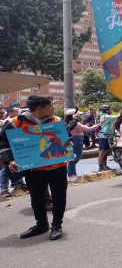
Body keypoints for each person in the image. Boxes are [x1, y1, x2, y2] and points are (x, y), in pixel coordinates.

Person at [0, 95, 67, 240]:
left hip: (57, 167)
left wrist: (68, 147)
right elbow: (3, 144)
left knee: (59, 196)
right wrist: (10, 161)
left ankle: (56, 226)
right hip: (33, 168)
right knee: (36, 197)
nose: (53, 108)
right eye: (50, 106)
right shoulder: (14, 123)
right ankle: (42, 224)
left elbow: (66, 140)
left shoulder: (57, 121)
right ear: (39, 108)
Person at [65, 109, 104, 182]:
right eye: (78, 114)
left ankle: (73, 174)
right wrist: (100, 123)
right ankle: (71, 175)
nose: (80, 115)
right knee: (74, 159)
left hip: (75, 140)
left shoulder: (69, 122)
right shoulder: (76, 123)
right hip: (77, 141)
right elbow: (89, 129)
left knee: (73, 158)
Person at [97, 105, 118, 172]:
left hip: (108, 136)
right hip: (104, 136)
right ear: (107, 110)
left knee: (105, 152)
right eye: (110, 109)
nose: (111, 110)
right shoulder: (105, 116)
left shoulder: (106, 116)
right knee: (102, 151)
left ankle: (104, 165)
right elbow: (115, 117)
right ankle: (101, 166)